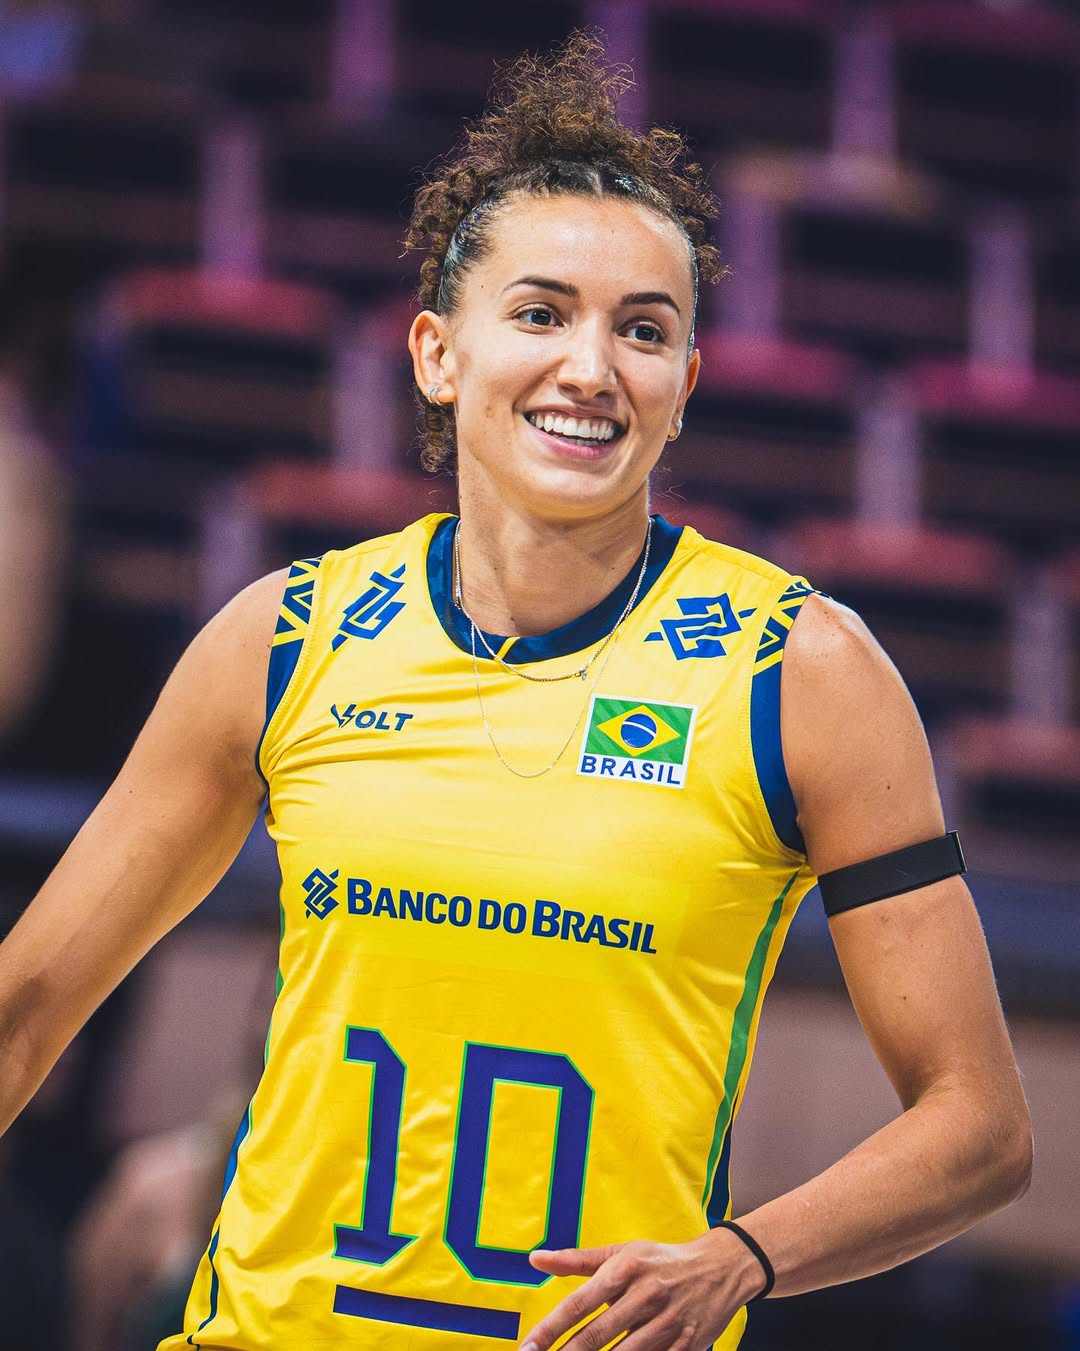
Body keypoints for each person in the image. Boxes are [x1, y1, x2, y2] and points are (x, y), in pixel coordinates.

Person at [0, 33, 1031, 1351]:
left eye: (643, 330)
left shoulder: (801, 670)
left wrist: (741, 1259)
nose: (592, 367)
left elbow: (980, 1126)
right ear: (438, 353)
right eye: (541, 313)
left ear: (684, 386)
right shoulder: (285, 638)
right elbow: (25, 1011)